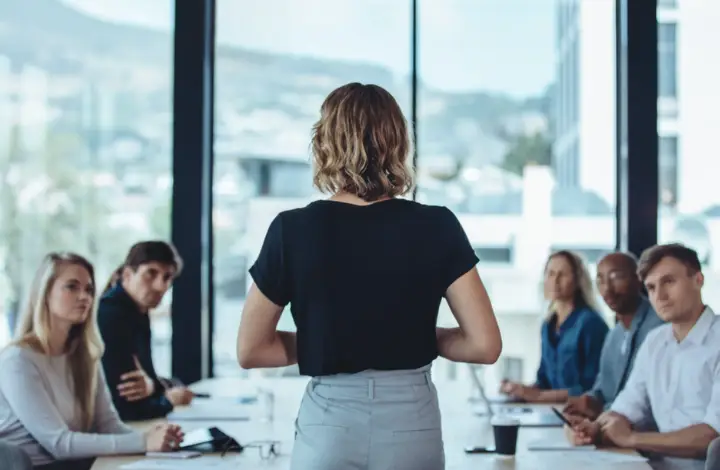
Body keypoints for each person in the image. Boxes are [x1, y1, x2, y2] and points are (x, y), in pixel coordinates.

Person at [236, 82, 502, 470]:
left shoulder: (292, 230)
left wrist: (327, 339)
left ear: (325, 142)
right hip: (411, 422)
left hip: (329, 423)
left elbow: (251, 350)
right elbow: (485, 346)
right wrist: (409, 336)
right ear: (398, 142)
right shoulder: (437, 225)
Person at [0, 253, 183, 470]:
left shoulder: (85, 355)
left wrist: (155, 437)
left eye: (89, 289)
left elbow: (109, 425)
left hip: (78, 464)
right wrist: (143, 442)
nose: (84, 297)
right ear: (45, 293)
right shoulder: (17, 360)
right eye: (72, 287)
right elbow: (59, 443)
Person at [567, 243, 720, 460]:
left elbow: (712, 437)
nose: (660, 295)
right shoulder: (655, 341)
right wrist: (594, 428)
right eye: (651, 287)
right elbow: (626, 407)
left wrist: (631, 439)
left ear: (698, 280)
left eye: (669, 281)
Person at [97, 241, 194, 421]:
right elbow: (125, 406)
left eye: (167, 277)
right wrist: (168, 400)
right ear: (127, 274)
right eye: (151, 273)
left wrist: (154, 386)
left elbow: (148, 380)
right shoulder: (111, 315)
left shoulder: (137, 311)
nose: (160, 286)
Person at [563, 252, 664, 419]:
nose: (607, 289)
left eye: (616, 277)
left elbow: (647, 401)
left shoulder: (659, 328)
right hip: (610, 425)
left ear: (639, 279)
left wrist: (602, 412)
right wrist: (589, 401)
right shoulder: (614, 335)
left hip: (640, 432)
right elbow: (601, 389)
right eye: (600, 280)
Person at [500, 250, 609, 403]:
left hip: (581, 416)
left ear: (577, 281)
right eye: (550, 273)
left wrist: (537, 396)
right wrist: (520, 390)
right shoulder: (547, 325)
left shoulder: (591, 323)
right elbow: (543, 382)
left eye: (562, 274)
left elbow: (591, 388)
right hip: (552, 411)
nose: (555, 280)